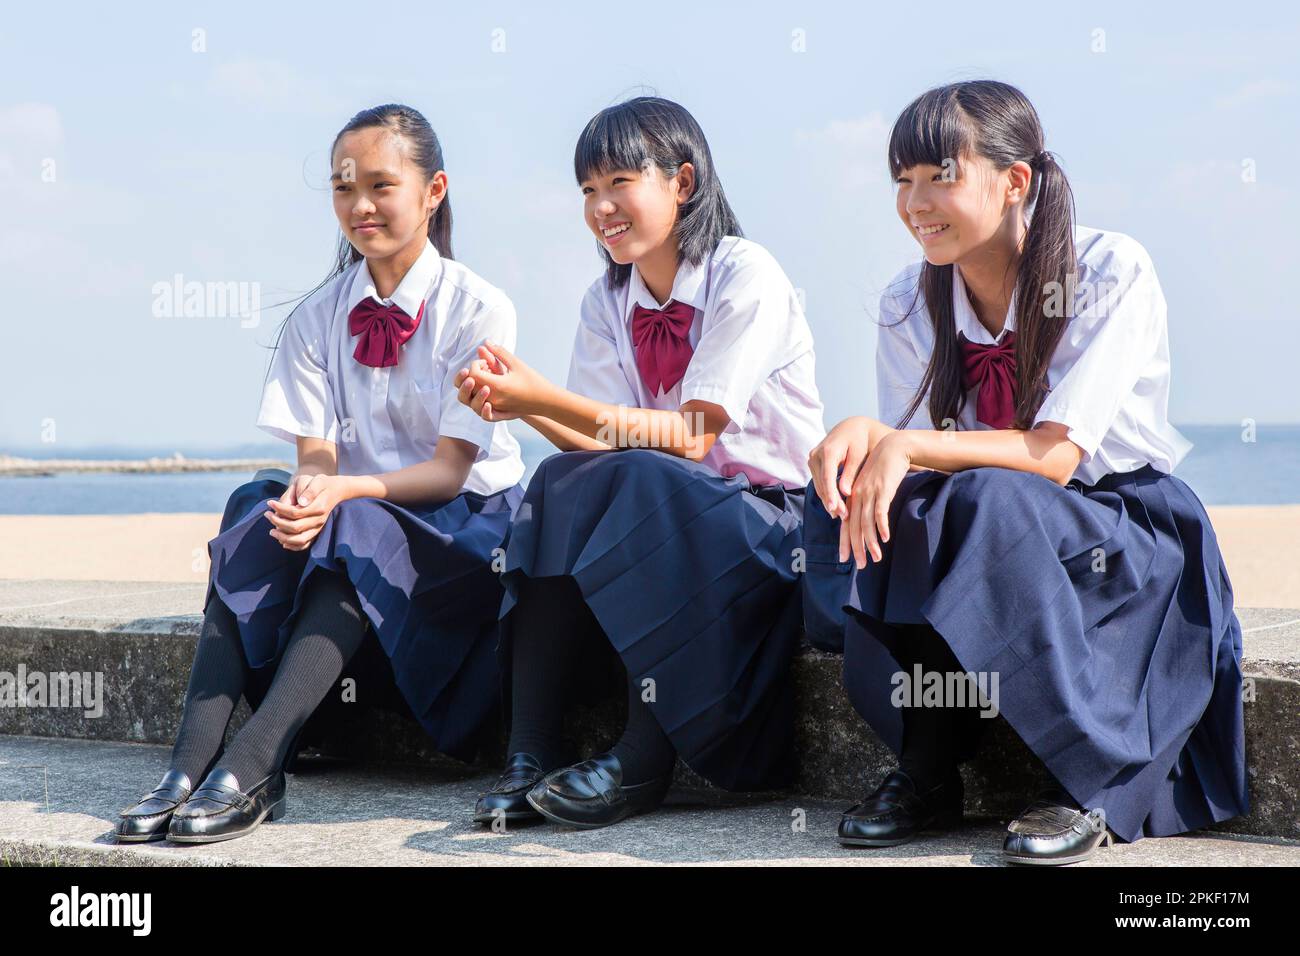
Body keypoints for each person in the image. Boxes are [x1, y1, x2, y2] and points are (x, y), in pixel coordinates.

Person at [802, 80, 1248, 865]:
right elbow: (916, 472)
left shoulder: (1107, 269)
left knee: (981, 494)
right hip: (998, 519)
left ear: (1016, 181)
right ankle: (929, 764)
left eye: (940, 174)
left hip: (1122, 529)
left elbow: (1057, 456)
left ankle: (1089, 785)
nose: (916, 201)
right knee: (874, 502)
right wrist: (866, 454)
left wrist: (900, 443)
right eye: (902, 180)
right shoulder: (908, 298)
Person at [116, 103, 525, 845]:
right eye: (343, 188)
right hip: (356, 525)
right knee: (255, 503)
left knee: (353, 519)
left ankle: (254, 763)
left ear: (434, 191)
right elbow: (317, 463)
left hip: (460, 536)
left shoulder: (478, 308)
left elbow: (448, 471)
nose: (359, 205)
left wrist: (341, 496)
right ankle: (186, 765)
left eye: (380, 185)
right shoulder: (316, 318)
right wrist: (312, 497)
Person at [457, 96, 826, 829]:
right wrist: (522, 406)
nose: (602, 207)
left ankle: (641, 760)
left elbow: (691, 436)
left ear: (682, 182)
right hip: (666, 509)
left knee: (649, 475)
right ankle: (530, 749)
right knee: (560, 477)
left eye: (620, 182)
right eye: (589, 192)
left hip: (765, 523)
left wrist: (546, 394)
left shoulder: (745, 273)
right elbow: (594, 446)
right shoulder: (608, 298)